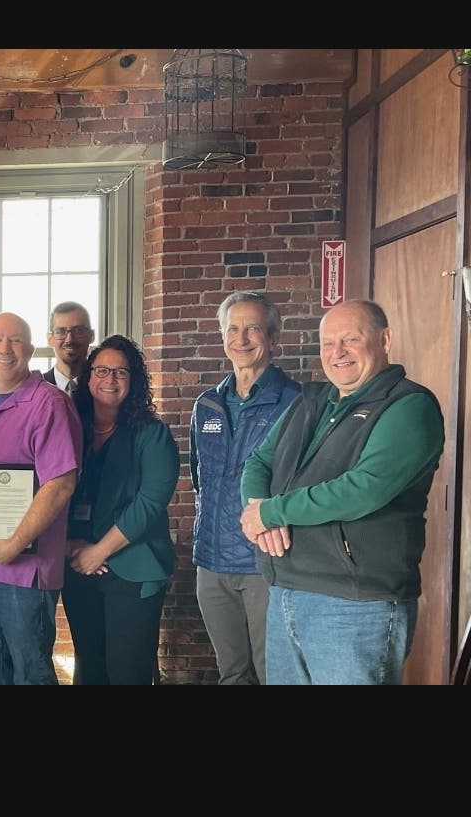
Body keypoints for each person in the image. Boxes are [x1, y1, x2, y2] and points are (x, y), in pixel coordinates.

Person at [240, 299, 444, 685]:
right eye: (327, 342)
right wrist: (259, 512)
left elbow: (362, 490)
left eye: (351, 339)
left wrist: (272, 512)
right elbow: (258, 462)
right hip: (286, 590)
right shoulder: (311, 400)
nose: (337, 352)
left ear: (385, 339)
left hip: (356, 604)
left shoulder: (409, 406)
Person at [0, 312, 80, 685]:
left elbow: (60, 483)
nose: (4, 349)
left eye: (15, 340)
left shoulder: (49, 404)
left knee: (31, 674)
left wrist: (15, 542)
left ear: (32, 348)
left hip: (24, 569)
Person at [189, 292, 299, 685]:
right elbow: (198, 477)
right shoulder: (207, 405)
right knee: (232, 673)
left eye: (253, 328)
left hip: (266, 563)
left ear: (273, 336)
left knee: (274, 672)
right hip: (211, 561)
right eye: (233, 328)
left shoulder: (295, 402)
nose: (242, 338)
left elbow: (299, 481)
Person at [62, 335, 179, 685]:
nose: (109, 379)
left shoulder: (152, 435)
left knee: (128, 671)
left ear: (134, 380)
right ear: (88, 376)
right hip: (77, 565)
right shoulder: (71, 428)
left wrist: (99, 551)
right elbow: (52, 491)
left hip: (132, 568)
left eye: (121, 372)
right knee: (89, 667)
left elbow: (148, 504)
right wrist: (69, 546)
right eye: (101, 370)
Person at [43, 301, 95, 395]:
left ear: (91, 336)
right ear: (50, 339)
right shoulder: (37, 390)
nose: (70, 339)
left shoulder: (103, 387)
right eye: (61, 331)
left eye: (78, 331)